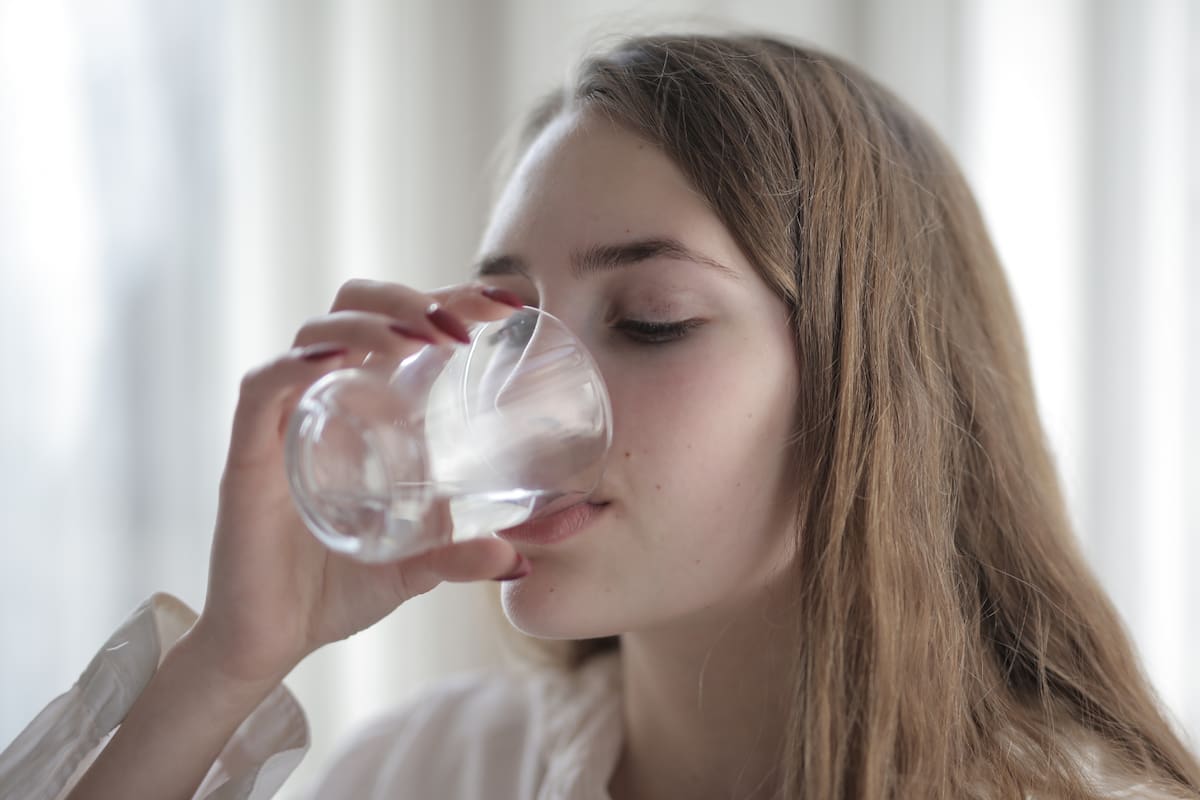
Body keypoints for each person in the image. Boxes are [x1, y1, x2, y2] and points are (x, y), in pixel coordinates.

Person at [3, 32, 1198, 800]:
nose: (520, 391)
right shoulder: (439, 771)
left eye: (654, 318)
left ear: (869, 392)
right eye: (507, 320)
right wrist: (227, 662)